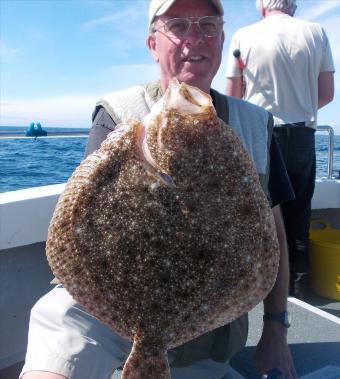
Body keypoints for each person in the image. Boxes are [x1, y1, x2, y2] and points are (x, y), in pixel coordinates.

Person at [21, 0, 297, 378]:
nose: (194, 38)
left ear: (221, 38)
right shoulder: (118, 113)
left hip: (204, 324)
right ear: (153, 44)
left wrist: (276, 329)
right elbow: (82, 220)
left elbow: (274, 237)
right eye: (178, 25)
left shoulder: (257, 125)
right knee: (60, 330)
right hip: (101, 309)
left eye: (208, 25)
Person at [225, 0, 335, 297]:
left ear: (262, 6)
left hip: (260, 133)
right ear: (293, 6)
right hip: (302, 136)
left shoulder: (243, 36)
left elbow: (232, 98)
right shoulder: (317, 33)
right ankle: (296, 291)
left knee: (256, 217)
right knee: (298, 215)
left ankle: (254, 293)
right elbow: (325, 94)